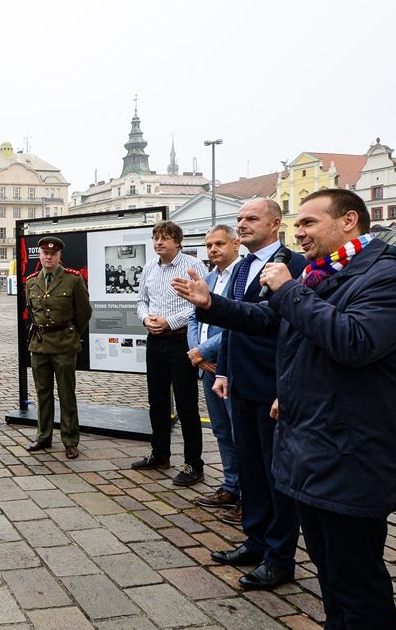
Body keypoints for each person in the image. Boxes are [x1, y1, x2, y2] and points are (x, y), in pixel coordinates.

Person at [173, 189, 396, 627]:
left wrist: (291, 290)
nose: (299, 233)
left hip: (353, 453)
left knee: (357, 579)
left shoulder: (387, 276)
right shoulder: (326, 272)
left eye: (309, 223)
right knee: (330, 574)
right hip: (314, 446)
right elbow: (267, 319)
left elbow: (355, 341)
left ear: (349, 221)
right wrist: (211, 304)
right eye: (297, 224)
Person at [195, 199, 307, 590]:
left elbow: (294, 332)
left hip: (273, 384)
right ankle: (255, 540)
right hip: (240, 381)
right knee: (251, 470)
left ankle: (279, 557)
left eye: (251, 219)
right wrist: (224, 370)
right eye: (239, 218)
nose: (242, 224)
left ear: (275, 224)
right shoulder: (242, 267)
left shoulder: (293, 265)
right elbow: (233, 322)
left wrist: (285, 388)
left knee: (277, 475)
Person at [132, 220, 208, 486]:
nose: (159, 242)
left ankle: (193, 464)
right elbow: (141, 300)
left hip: (181, 340)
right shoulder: (149, 267)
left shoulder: (193, 265)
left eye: (164, 238)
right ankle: (160, 453)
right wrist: (146, 319)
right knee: (157, 401)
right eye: (156, 238)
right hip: (155, 340)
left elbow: (201, 303)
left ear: (177, 241)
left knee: (186, 404)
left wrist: (170, 321)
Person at [186, 226, 242, 521]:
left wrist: (205, 350)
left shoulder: (242, 276)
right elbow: (193, 318)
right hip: (207, 368)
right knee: (220, 430)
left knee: (240, 432)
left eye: (219, 243)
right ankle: (231, 486)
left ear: (236, 243)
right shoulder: (208, 278)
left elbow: (241, 322)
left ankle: (248, 493)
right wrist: (196, 353)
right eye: (209, 245)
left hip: (232, 365)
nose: (213, 249)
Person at [23, 237, 93, 459]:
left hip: (64, 345)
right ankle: (43, 436)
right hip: (39, 345)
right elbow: (32, 312)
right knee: (42, 394)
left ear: (59, 256)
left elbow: (84, 311)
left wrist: (71, 333)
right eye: (45, 253)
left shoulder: (73, 279)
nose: (49, 257)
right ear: (40, 255)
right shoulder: (31, 282)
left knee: (66, 394)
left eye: (53, 254)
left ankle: (70, 440)